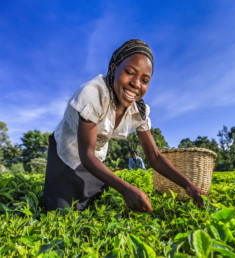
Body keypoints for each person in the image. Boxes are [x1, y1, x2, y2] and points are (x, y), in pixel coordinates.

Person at [43, 39, 209, 212]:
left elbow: (155, 157)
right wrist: (125, 189)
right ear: (114, 69)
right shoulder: (92, 94)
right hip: (67, 151)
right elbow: (85, 154)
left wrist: (188, 186)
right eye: (130, 72)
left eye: (144, 80)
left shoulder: (140, 111)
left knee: (97, 202)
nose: (136, 84)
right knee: (60, 210)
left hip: (95, 157)